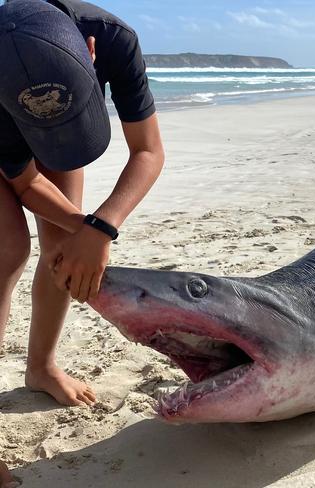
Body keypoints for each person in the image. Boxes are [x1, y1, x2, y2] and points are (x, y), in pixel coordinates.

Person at [0, 1, 164, 485]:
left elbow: (149, 150)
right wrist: (89, 227)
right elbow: (25, 185)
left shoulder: (113, 38)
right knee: (7, 250)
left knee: (60, 251)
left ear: (89, 52)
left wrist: (98, 228)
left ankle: (41, 368)